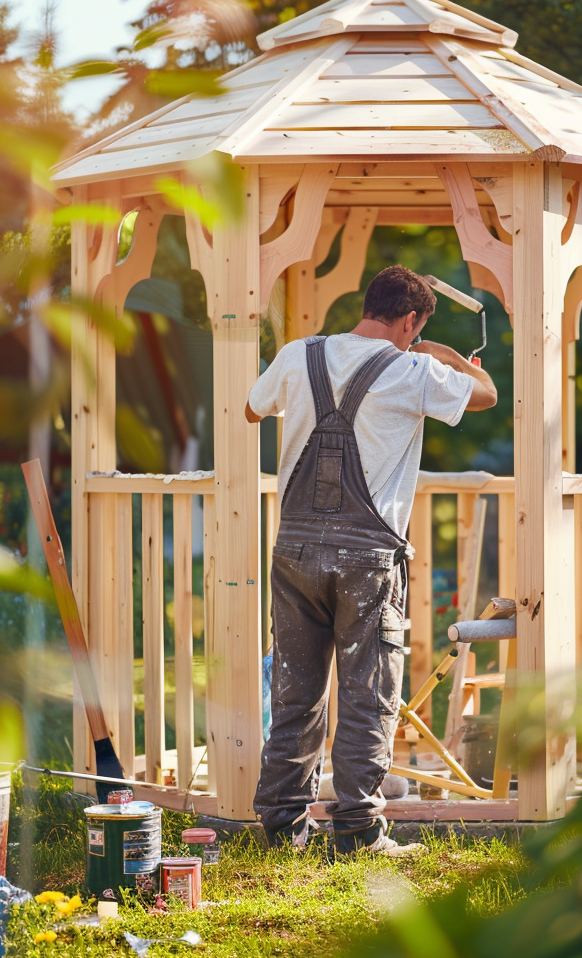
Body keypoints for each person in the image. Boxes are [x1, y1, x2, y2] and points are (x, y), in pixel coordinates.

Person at [246, 265, 497, 855]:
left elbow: (255, 409)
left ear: (368, 305)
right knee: (368, 694)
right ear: (410, 321)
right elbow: (485, 395)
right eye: (416, 330)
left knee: (295, 689)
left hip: (295, 551)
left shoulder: (297, 355)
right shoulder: (414, 369)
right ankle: (357, 832)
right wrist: (440, 351)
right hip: (368, 558)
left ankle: (282, 828)